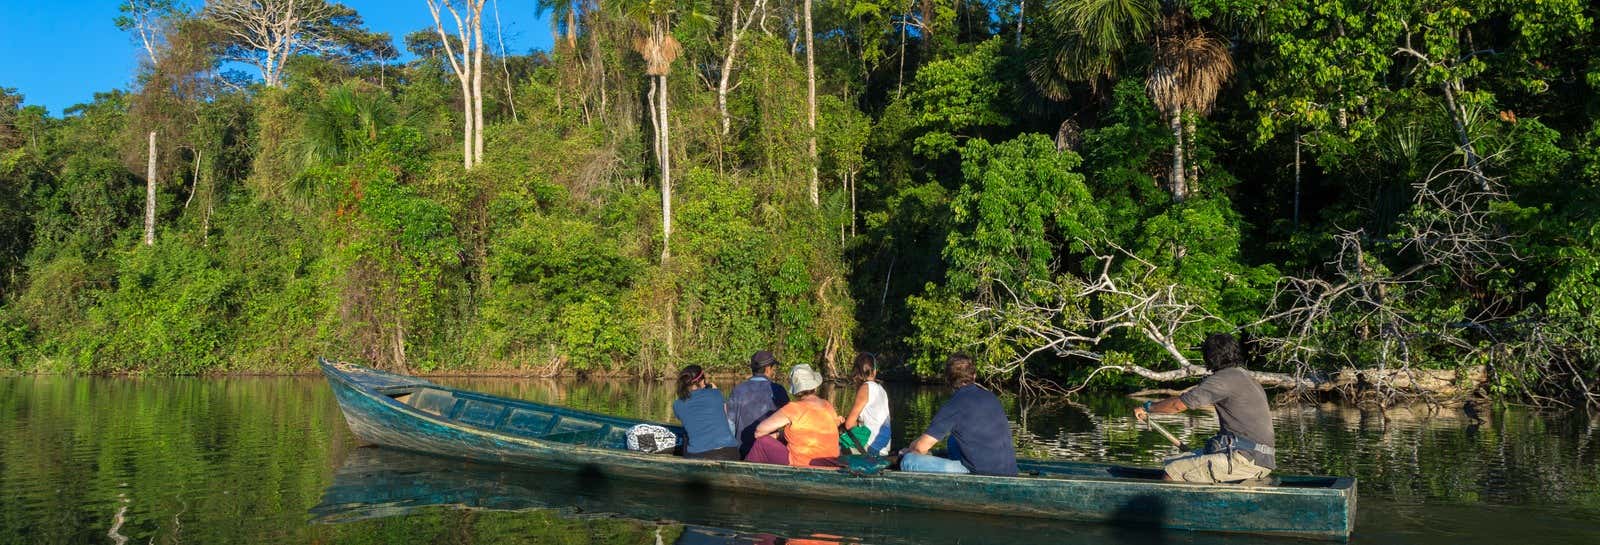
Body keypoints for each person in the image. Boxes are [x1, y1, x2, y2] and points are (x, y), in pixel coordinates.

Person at [1134, 333, 1276, 483]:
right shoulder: (1246, 377)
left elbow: (1178, 405)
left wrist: (1149, 407)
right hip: (1260, 459)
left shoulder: (1223, 379)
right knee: (1173, 461)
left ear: (1210, 356)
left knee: (1173, 472)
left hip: (1245, 459)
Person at [898, 354, 1018, 476]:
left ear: (947, 380)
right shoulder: (991, 396)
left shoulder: (953, 405)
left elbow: (921, 448)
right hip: (1010, 470)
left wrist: (910, 450)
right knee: (952, 440)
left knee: (909, 461)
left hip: (980, 473)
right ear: (974, 376)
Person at [746, 364, 843, 467]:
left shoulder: (793, 408)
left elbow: (759, 432)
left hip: (802, 463)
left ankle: (744, 473)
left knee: (762, 442)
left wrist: (780, 434)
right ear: (815, 386)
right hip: (831, 462)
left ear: (796, 391)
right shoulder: (827, 405)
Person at [671, 365, 741, 461]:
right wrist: (715, 390)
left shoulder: (677, 404)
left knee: (686, 435)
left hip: (699, 455)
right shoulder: (716, 393)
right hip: (730, 453)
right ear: (702, 381)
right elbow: (725, 417)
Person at [728, 350, 790, 457]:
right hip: (768, 453)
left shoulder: (738, 390)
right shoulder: (778, 390)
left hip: (742, 451)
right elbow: (790, 421)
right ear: (767, 369)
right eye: (772, 367)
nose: (773, 371)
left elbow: (730, 424)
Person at [841, 352, 891, 456]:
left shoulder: (865, 388)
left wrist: (840, 423)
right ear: (875, 371)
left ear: (856, 374)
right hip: (884, 448)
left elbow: (849, 424)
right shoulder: (881, 389)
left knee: (831, 445)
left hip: (870, 448)